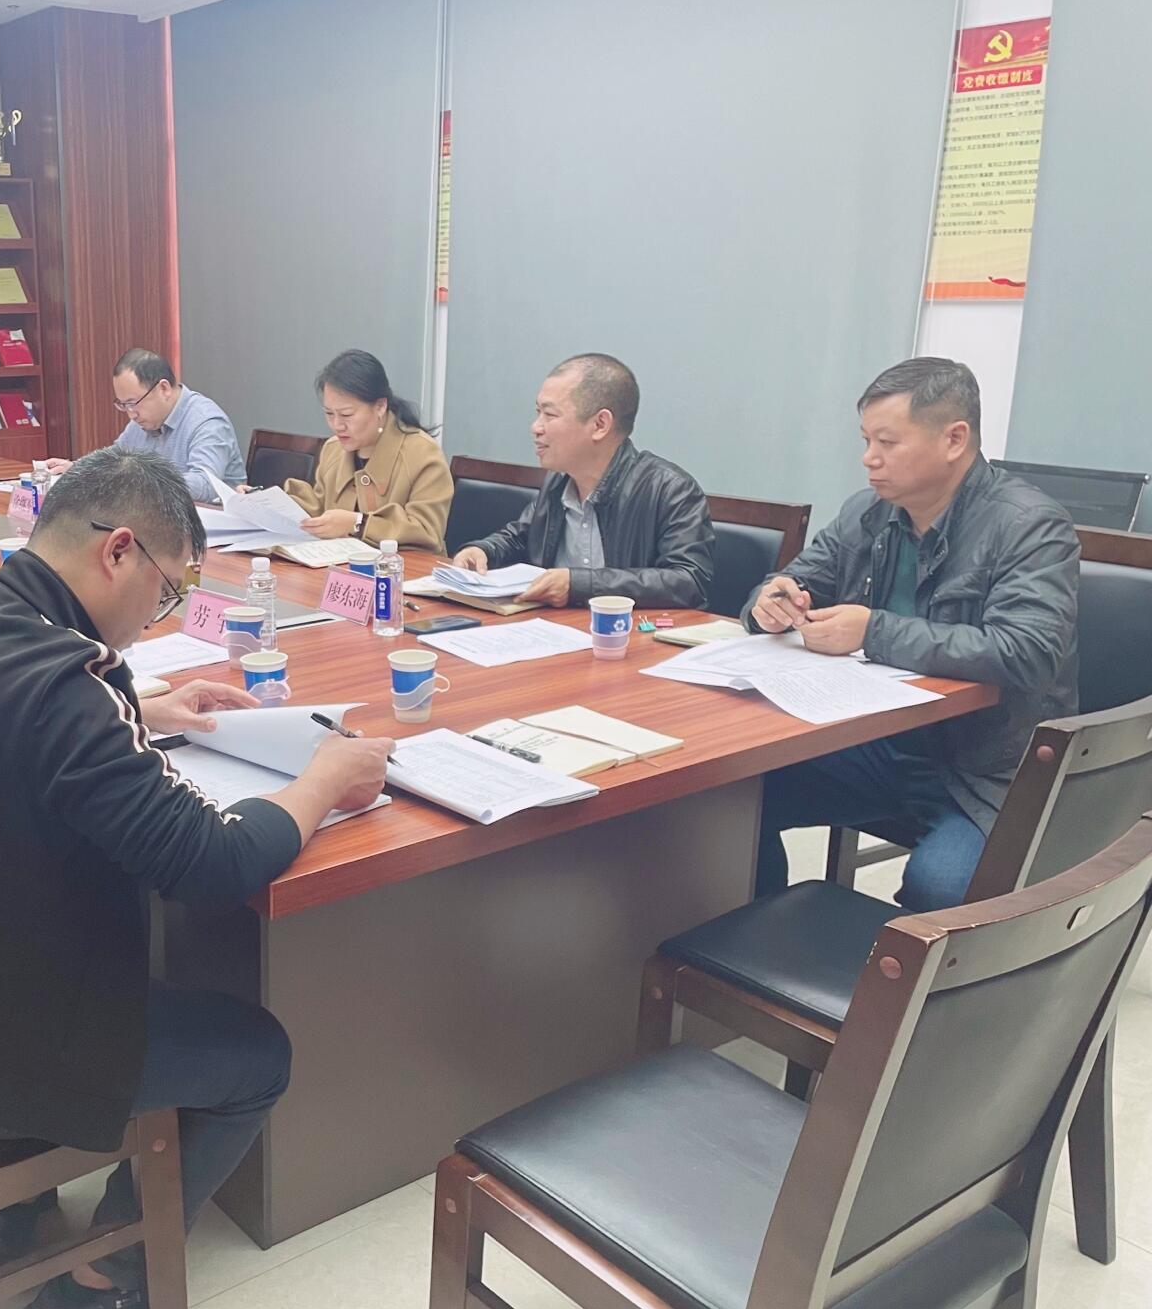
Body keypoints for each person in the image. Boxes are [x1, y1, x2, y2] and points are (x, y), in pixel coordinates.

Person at [0, 448, 394, 1309]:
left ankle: (7, 1216)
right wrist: (323, 780)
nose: (159, 617)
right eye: (166, 593)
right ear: (118, 551)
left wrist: (140, 706)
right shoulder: (67, 683)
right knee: (257, 1055)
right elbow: (209, 863)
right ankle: (94, 1291)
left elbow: (16, 730)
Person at [749, 357, 1079, 911]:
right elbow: (797, 578)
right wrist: (771, 601)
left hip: (987, 767)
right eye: (866, 441)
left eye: (887, 442)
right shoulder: (869, 513)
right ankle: (750, 943)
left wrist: (872, 630)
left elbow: (1027, 652)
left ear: (954, 439)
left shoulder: (1030, 525)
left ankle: (892, 971)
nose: (868, 458)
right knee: (735, 798)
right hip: (884, 744)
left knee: (941, 886)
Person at [450, 353, 714, 608]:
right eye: (538, 412)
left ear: (600, 424)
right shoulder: (559, 481)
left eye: (550, 415)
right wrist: (484, 551)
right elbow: (523, 536)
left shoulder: (670, 490)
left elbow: (688, 582)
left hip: (628, 632)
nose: (536, 427)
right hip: (558, 627)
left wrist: (579, 586)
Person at [280, 348, 452, 552]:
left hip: (402, 569)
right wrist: (266, 502)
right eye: (329, 413)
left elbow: (427, 531)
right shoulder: (333, 449)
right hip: (339, 565)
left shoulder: (423, 454)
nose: (337, 425)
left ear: (380, 406)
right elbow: (318, 509)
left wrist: (358, 523)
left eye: (346, 414)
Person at [46, 347, 246, 498]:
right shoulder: (143, 420)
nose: (131, 414)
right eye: (123, 405)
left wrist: (139, 480)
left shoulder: (206, 422)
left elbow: (206, 484)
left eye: (133, 403)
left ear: (164, 389)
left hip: (211, 528)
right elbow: (115, 457)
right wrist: (78, 467)